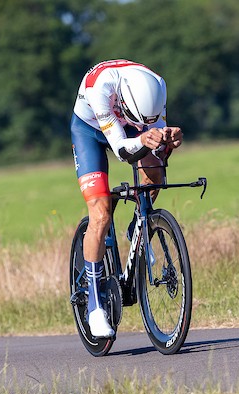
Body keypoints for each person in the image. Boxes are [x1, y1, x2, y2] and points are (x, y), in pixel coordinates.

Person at [70, 59, 183, 338]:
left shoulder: (157, 85)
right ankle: (95, 305)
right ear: (123, 99)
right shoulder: (101, 88)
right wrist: (144, 138)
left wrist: (167, 140)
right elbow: (121, 150)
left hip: (130, 127)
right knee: (101, 214)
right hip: (90, 131)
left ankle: (139, 224)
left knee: (155, 172)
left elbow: (154, 141)